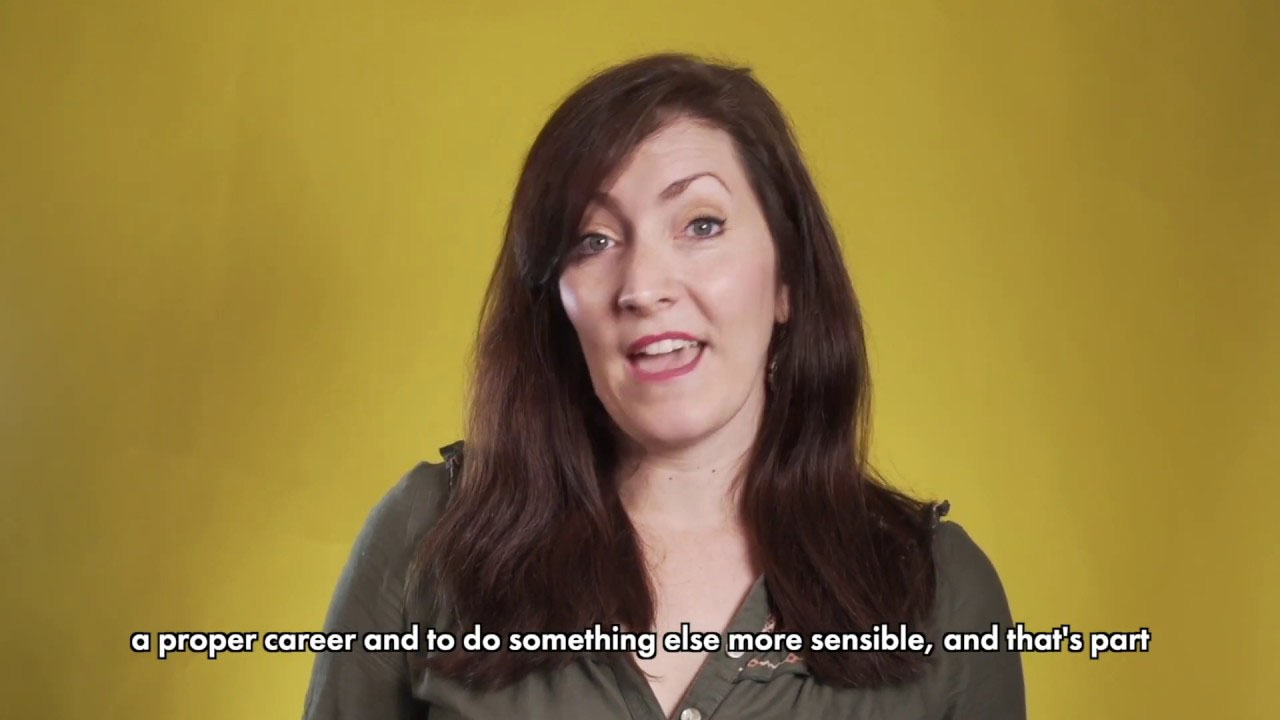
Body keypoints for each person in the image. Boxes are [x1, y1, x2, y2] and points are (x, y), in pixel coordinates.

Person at [302, 53, 1025, 720]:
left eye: (701, 224)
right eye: (593, 240)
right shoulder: (426, 540)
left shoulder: (943, 593)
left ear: (788, 282)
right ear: (556, 299)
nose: (643, 286)